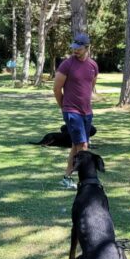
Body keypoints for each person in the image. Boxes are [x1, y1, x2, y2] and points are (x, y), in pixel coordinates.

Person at [53, 33, 99, 189]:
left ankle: (67, 178)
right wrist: (64, 107)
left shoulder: (93, 65)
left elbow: (90, 87)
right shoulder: (67, 65)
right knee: (83, 147)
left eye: (79, 49)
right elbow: (56, 89)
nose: (75, 51)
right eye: (74, 48)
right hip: (72, 111)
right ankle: (86, 182)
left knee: (76, 145)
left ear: (87, 48)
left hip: (87, 112)